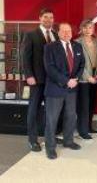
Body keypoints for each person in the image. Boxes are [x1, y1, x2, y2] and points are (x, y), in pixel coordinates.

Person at [43, 23, 85, 159]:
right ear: (58, 32)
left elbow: (81, 64)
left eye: (69, 31)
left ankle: (68, 141)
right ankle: (50, 147)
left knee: (71, 116)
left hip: (72, 89)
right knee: (52, 119)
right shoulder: (50, 47)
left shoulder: (77, 46)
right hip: (55, 89)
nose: (67, 33)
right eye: (64, 31)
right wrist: (67, 81)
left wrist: (76, 79)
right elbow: (50, 68)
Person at [22, 8, 58, 152]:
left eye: (51, 17)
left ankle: (50, 137)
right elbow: (25, 57)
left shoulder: (55, 34)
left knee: (50, 110)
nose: (49, 20)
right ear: (40, 18)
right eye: (46, 17)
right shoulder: (31, 35)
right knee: (34, 110)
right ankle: (32, 140)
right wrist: (28, 75)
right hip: (36, 80)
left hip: (52, 81)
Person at [75, 19, 97, 139]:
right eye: (85, 27)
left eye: (90, 27)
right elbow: (77, 63)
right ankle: (82, 130)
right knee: (83, 105)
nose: (88, 30)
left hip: (95, 76)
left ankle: (89, 126)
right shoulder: (77, 42)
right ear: (82, 29)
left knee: (91, 104)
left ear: (93, 29)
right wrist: (88, 77)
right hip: (83, 78)